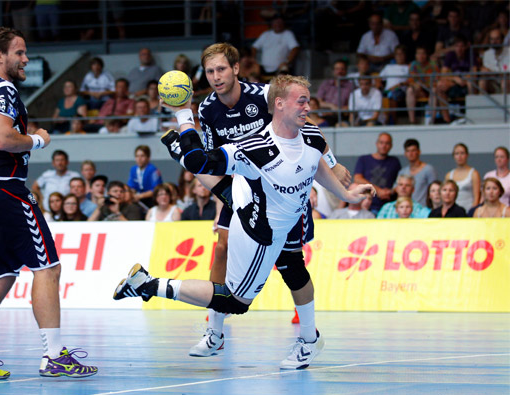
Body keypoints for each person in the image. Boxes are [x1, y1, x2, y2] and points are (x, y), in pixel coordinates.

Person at [114, 75, 375, 370]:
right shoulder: (253, 147)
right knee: (235, 301)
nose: (308, 107)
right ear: (279, 104)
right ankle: (150, 285)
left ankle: (309, 340)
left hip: (273, 210)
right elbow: (203, 161)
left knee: (293, 266)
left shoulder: (312, 134)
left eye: (308, 101)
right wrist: (184, 113)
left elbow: (315, 163)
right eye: (301, 101)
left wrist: (346, 194)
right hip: (261, 231)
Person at [0, 27, 96, 380]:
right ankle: (54, 356)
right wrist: (38, 140)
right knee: (48, 268)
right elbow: (3, 138)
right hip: (6, 190)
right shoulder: (3, 89)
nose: (26, 59)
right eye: (19, 52)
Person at [191, 43, 351, 354]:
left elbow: (304, 126)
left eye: (221, 69)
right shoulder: (207, 110)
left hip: (280, 188)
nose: (216, 76)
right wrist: (221, 202)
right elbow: (213, 162)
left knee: (289, 262)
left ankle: (308, 333)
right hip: (241, 187)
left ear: (236, 69)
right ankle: (215, 332)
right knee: (221, 248)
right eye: (210, 71)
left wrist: (330, 165)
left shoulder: (263, 95)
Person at [354, 132, 402, 214]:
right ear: (376, 144)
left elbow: (400, 182)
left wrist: (390, 191)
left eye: (387, 143)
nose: (384, 146)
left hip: (388, 207)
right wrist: (378, 191)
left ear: (391, 146)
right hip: (366, 205)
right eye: (381, 143)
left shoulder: (394, 162)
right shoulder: (364, 159)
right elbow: (357, 179)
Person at [435, 36, 476, 124]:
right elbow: (443, 73)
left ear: (465, 47)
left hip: (467, 82)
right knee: (440, 86)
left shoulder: (470, 54)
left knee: (471, 84)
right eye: (457, 46)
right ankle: (446, 119)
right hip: (454, 82)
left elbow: (474, 72)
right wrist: (455, 78)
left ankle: (472, 116)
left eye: (462, 46)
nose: (459, 49)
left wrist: (464, 79)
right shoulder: (450, 55)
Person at [397, 139, 437, 207]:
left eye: (413, 150)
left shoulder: (428, 169)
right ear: (405, 154)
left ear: (419, 152)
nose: (410, 154)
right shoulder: (402, 172)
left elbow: (434, 190)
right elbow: (396, 189)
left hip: (423, 208)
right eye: (408, 151)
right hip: (405, 208)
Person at [406, 46, 439, 124]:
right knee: (410, 90)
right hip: (419, 91)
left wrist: (424, 85)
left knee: (434, 90)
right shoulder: (413, 65)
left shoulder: (433, 65)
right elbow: (410, 81)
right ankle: (412, 121)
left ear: (427, 55)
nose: (421, 56)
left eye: (423, 53)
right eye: (418, 53)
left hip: (430, 89)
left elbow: (436, 80)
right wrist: (415, 85)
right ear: (416, 55)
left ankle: (432, 120)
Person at [316, 60, 355, 124]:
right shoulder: (325, 84)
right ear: (333, 71)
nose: (339, 71)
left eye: (342, 69)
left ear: (346, 71)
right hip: (325, 115)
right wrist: (331, 106)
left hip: (342, 116)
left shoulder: (351, 86)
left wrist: (339, 109)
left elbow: (354, 105)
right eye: (337, 69)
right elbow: (318, 102)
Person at [378, 44, 409, 124]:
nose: (399, 56)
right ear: (394, 56)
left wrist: (398, 85)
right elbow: (378, 78)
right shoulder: (388, 67)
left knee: (392, 95)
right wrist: (379, 86)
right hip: (387, 91)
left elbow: (410, 81)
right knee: (377, 95)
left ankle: (392, 122)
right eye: (397, 54)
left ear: (405, 55)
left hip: (400, 90)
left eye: (401, 54)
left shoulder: (408, 67)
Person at [445, 143, 481, 211]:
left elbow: (477, 197)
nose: (459, 156)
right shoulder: (449, 175)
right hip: (453, 211)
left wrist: (472, 212)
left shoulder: (474, 174)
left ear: (467, 155)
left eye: (462, 153)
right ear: (454, 156)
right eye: (457, 154)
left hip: (469, 210)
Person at [127, 145, 162, 209]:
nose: (139, 159)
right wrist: (132, 194)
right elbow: (131, 186)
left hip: (151, 200)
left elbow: (156, 189)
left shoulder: (153, 170)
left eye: (142, 156)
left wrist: (140, 196)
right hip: (138, 199)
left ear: (148, 158)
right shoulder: (133, 169)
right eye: (137, 156)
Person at [479, 29, 510, 94]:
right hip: (493, 82)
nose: (494, 42)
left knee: (504, 82)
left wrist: (492, 73)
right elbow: (486, 71)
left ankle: (506, 101)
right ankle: (481, 101)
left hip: (507, 81)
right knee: (482, 82)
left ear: (502, 39)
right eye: (492, 39)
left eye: (497, 39)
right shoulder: (487, 54)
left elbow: (507, 73)